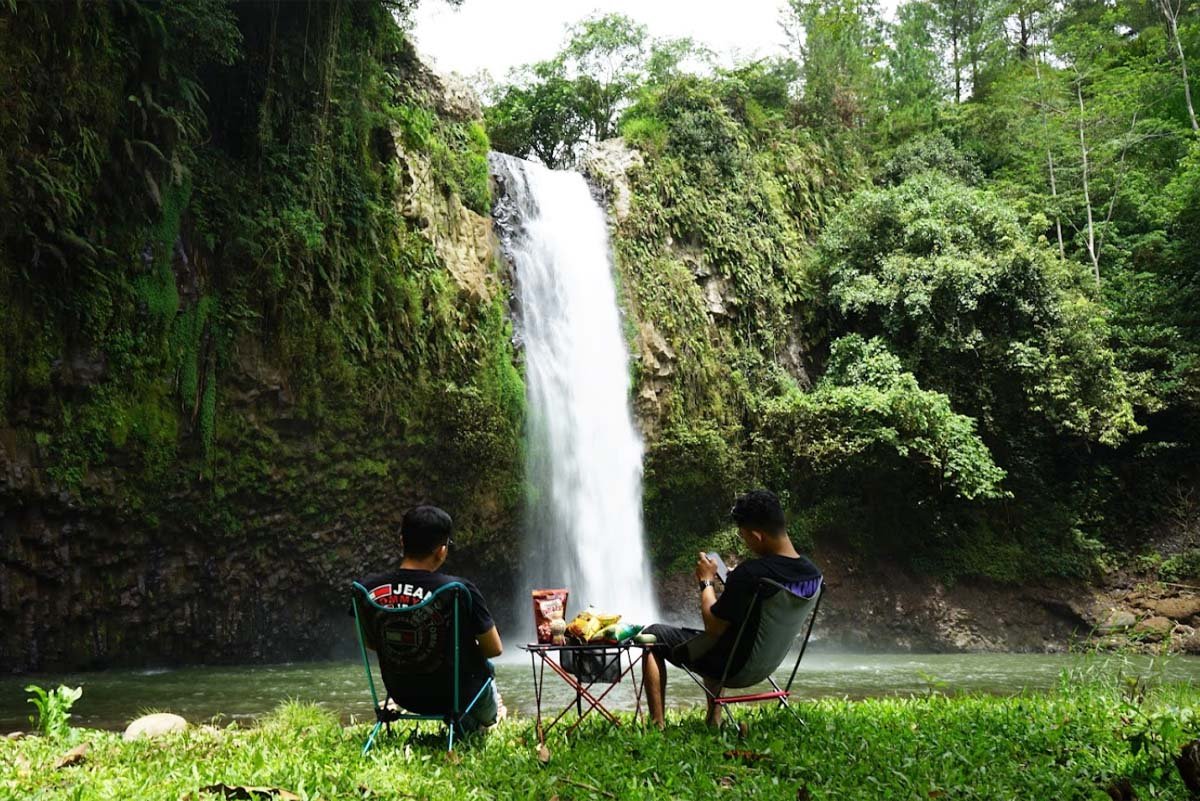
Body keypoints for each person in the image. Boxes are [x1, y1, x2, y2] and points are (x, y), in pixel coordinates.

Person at [641, 489, 822, 728]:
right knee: (721, 633)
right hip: (767, 663)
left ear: (757, 536)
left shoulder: (751, 574)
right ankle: (713, 719)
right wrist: (736, 584)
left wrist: (706, 581)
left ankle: (657, 724)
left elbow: (713, 626)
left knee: (653, 636)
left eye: (745, 535)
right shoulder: (812, 573)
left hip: (733, 667)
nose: (745, 540)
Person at [355, 505, 506, 731]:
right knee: (487, 668)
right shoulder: (458, 589)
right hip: (453, 696)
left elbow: (370, 642)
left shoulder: (367, 588)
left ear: (401, 541)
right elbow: (494, 648)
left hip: (404, 694)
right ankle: (491, 717)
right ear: (442, 550)